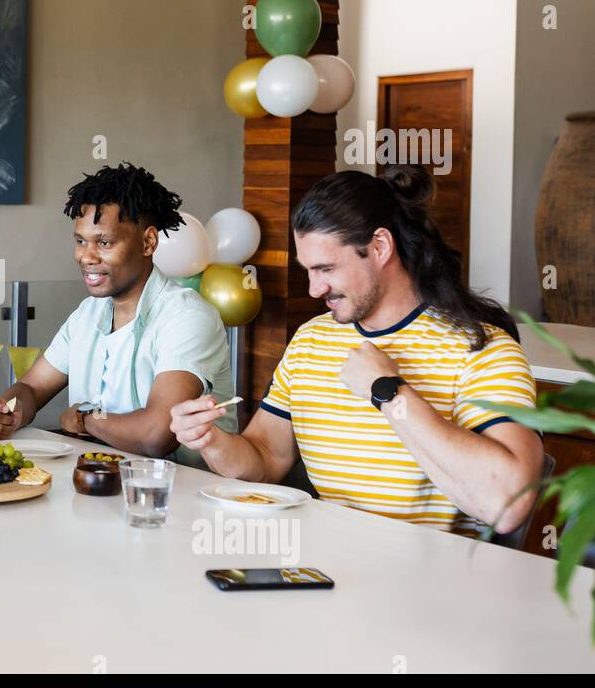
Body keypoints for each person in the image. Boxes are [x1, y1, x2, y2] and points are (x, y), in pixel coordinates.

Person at [170, 166, 542, 536]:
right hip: (328, 568)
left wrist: (388, 391)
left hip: (434, 584)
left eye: (326, 268)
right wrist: (211, 440)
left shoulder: (483, 348)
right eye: (309, 271)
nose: (315, 289)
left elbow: (507, 506)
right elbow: (267, 459)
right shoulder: (310, 342)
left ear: (380, 246)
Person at [0, 163, 235, 462]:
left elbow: (157, 433)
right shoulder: (87, 313)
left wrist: (86, 418)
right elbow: (32, 388)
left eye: (104, 242)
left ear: (148, 242)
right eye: (80, 241)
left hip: (179, 496)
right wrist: (8, 411)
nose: (86, 257)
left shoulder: (188, 316)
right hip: (100, 488)